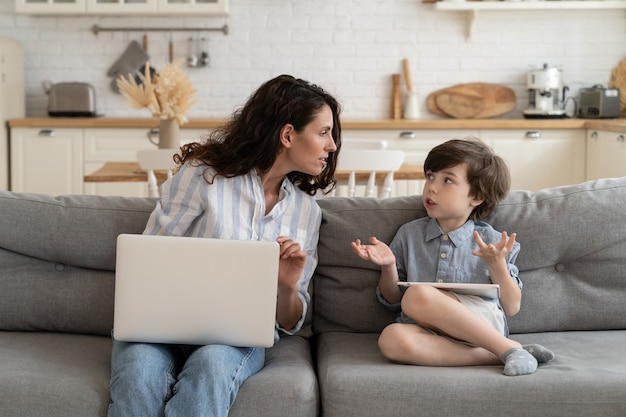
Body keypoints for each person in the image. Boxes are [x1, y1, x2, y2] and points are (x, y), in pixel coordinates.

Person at [108, 74, 342, 417]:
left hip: (233, 340)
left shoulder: (306, 213)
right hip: (161, 325)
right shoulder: (204, 175)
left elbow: (290, 323)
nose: (332, 145)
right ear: (288, 134)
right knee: (140, 373)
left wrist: (286, 286)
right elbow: (150, 258)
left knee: (211, 367)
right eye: (323, 132)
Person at [351, 138, 554, 376]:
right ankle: (508, 351)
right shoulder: (409, 234)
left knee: (417, 294)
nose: (432, 187)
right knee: (390, 339)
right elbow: (392, 298)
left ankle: (501, 346)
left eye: (447, 180)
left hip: (481, 328)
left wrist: (497, 265)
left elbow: (511, 306)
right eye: (430, 176)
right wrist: (389, 266)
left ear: (476, 196)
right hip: (427, 331)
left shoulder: (492, 241)